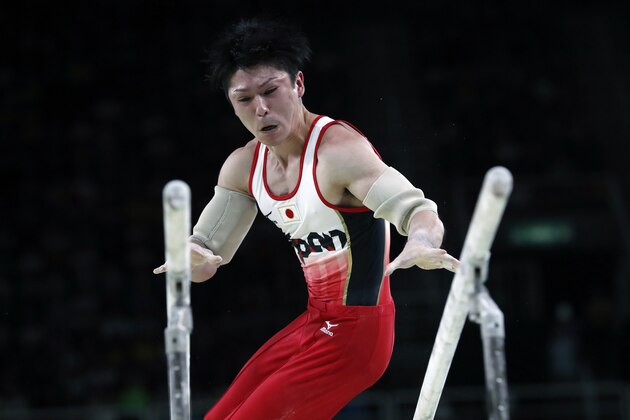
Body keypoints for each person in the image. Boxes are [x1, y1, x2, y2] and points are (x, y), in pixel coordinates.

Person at [154, 16, 459, 420]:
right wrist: (191, 257)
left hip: (358, 335)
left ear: (297, 84)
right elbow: (208, 254)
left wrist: (421, 240)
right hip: (317, 323)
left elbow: (416, 208)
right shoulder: (243, 167)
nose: (260, 108)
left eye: (270, 91)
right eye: (244, 99)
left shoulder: (339, 153)